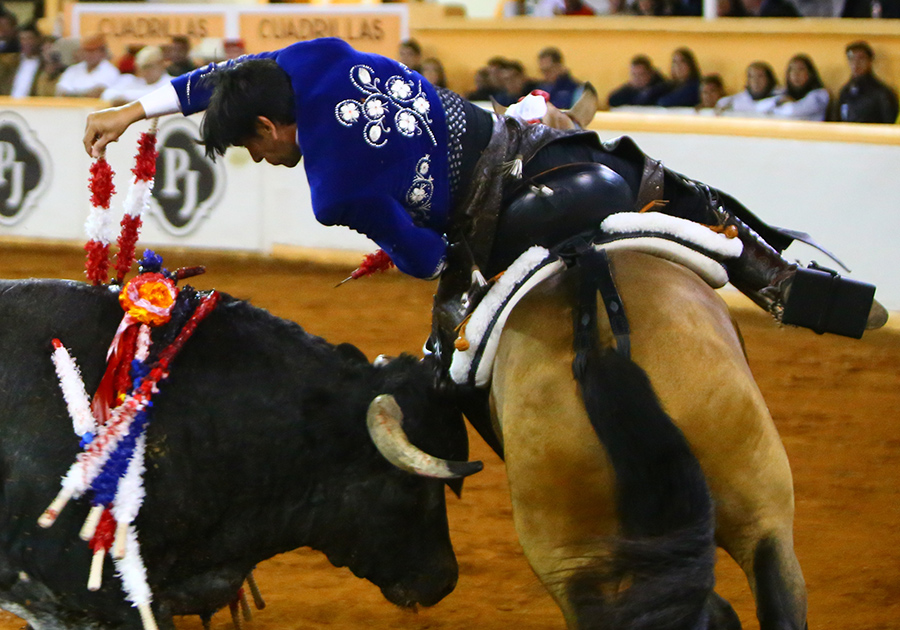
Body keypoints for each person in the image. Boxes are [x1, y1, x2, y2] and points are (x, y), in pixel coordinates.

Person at [82, 38, 886, 350]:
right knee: (670, 187)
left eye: (254, 148)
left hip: (504, 227)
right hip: (539, 149)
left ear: (269, 125)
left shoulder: (333, 189)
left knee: (446, 364)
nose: (261, 161)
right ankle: (785, 285)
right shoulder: (318, 56)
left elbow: (432, 260)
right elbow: (225, 76)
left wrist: (405, 251)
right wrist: (131, 111)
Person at [833, 41, 899, 124]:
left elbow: (888, 122)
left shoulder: (882, 93)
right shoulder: (845, 91)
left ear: (870, 61)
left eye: (861, 59)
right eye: (851, 59)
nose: (856, 64)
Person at [762, 54, 829, 121]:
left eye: (801, 70)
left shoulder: (820, 94)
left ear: (810, 73)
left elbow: (794, 111)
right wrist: (777, 102)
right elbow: (760, 108)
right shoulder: (782, 92)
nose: (796, 74)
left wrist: (779, 107)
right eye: (792, 70)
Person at [102, 46, 172, 106]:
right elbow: (107, 94)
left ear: (161, 64)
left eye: (149, 66)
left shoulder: (171, 83)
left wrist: (127, 98)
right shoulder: (130, 80)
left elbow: (159, 97)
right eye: (141, 68)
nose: (145, 72)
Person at [55, 34, 120, 98]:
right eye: (86, 51)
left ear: (102, 52)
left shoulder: (110, 70)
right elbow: (60, 92)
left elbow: (98, 93)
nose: (89, 55)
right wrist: (84, 95)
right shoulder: (73, 69)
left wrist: (72, 95)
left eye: (92, 51)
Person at [716, 61, 783, 115]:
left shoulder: (781, 98)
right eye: (751, 76)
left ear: (769, 79)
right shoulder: (734, 101)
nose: (755, 81)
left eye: (760, 76)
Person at [0, 25, 42, 98]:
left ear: (38, 39)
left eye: (30, 38)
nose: (26, 42)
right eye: (23, 39)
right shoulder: (10, 61)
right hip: (8, 104)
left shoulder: (44, 64)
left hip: (33, 106)